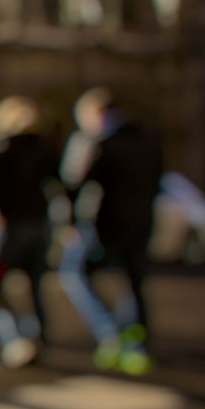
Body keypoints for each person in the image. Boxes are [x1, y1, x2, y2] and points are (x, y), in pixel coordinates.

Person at [59, 87, 163, 375]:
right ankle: (134, 342)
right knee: (134, 283)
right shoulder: (146, 139)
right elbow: (158, 180)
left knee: (74, 273)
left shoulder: (97, 141)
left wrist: (70, 222)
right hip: (141, 221)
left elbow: (76, 184)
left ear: (95, 115)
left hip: (103, 224)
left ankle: (110, 332)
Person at [0, 96, 63, 367]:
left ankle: (16, 339)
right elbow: (57, 185)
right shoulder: (44, 147)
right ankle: (37, 338)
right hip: (38, 223)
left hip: (3, 225)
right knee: (34, 286)